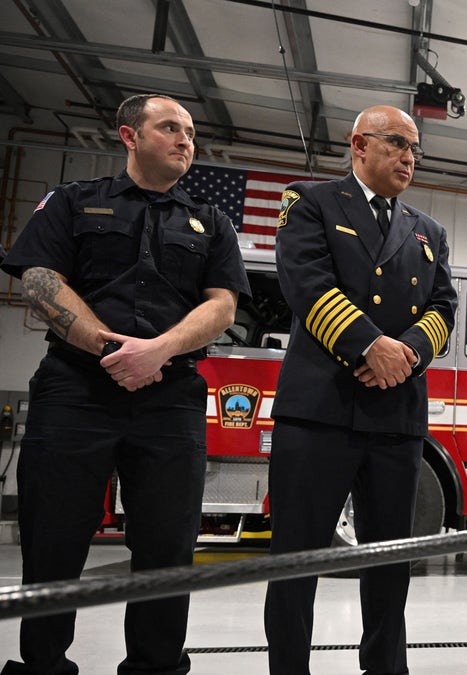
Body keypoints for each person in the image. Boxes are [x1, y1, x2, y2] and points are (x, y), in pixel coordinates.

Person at [0, 93, 249, 674]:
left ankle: (156, 668)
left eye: (190, 131)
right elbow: (38, 279)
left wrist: (158, 350)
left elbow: (223, 305)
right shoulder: (72, 202)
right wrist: (110, 347)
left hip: (171, 395)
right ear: (129, 136)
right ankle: (42, 666)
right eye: (169, 128)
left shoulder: (211, 222)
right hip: (75, 387)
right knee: (53, 539)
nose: (185, 139)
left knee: (167, 548)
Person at [263, 105, 456, 675]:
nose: (409, 157)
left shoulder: (429, 231)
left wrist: (409, 354)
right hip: (319, 412)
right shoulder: (311, 202)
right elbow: (306, 282)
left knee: (390, 565)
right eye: (398, 143)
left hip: (395, 419)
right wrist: (371, 345)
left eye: (415, 149)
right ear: (358, 144)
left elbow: (445, 306)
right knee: (295, 564)